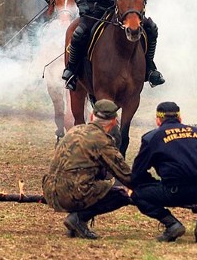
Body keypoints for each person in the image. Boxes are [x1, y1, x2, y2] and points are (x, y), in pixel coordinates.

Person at [42, 99, 133, 239]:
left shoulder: (74, 130)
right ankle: (78, 219)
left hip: (49, 191)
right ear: (114, 122)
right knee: (119, 195)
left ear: (92, 117)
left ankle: (77, 222)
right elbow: (126, 175)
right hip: (70, 194)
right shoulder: (102, 140)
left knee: (90, 181)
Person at [131, 102, 197, 243]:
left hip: (175, 191)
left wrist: (150, 182)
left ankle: (172, 225)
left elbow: (137, 173)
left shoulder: (152, 137)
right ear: (180, 118)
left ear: (158, 120)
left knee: (138, 195)